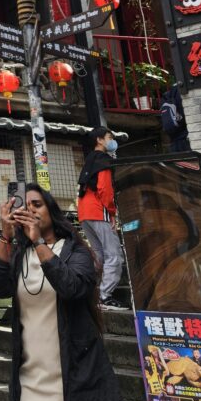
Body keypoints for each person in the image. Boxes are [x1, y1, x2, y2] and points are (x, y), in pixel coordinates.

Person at [0, 183, 126, 401]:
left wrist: (38, 243)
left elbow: (72, 286)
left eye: (38, 204)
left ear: (51, 210)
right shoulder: (20, 257)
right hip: (32, 386)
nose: (31, 210)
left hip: (76, 383)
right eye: (25, 205)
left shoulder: (77, 251)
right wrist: (6, 236)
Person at [77, 127, 125, 309]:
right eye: (109, 137)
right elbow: (104, 189)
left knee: (98, 255)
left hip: (84, 211)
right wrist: (112, 212)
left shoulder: (89, 159)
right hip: (98, 210)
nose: (112, 140)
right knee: (114, 255)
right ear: (99, 140)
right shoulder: (103, 160)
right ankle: (104, 296)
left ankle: (92, 292)